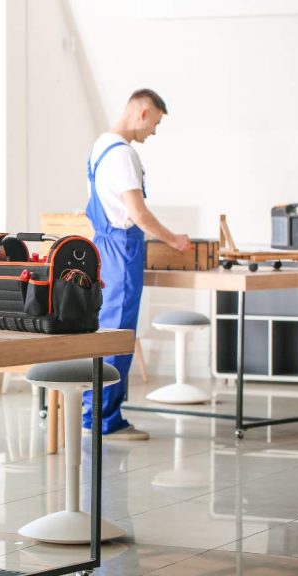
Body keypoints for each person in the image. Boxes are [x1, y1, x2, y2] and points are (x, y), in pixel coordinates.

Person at [82, 89, 192, 440]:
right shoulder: (124, 155)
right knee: (117, 336)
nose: (153, 133)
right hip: (122, 250)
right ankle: (103, 420)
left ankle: (92, 414)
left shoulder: (101, 145)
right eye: (155, 123)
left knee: (103, 333)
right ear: (143, 112)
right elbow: (138, 213)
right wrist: (173, 240)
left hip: (103, 245)